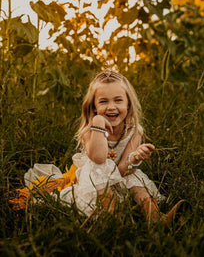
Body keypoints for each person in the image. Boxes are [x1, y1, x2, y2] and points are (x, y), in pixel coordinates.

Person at [14, 69, 185, 225]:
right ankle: (112, 219)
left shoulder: (133, 131)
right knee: (101, 174)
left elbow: (122, 170)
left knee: (138, 184)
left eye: (118, 100)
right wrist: (97, 124)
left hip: (122, 175)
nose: (111, 107)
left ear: (128, 104)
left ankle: (156, 220)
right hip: (96, 179)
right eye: (103, 101)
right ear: (94, 107)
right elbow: (98, 158)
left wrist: (134, 158)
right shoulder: (90, 130)